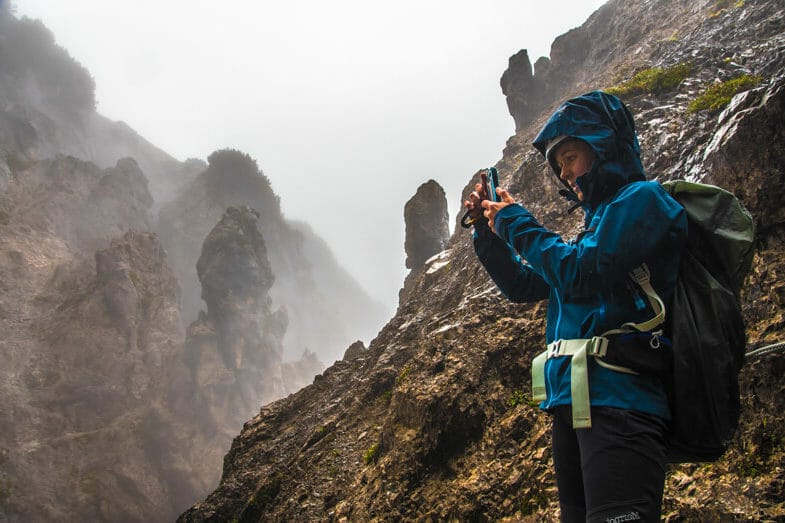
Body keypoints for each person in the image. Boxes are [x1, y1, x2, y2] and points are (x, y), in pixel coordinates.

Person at [464, 91, 687, 522]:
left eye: (569, 157)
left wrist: (514, 221)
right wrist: (488, 234)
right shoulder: (597, 224)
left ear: (601, 145)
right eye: (559, 166)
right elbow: (526, 284)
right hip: (577, 403)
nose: (564, 174)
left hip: (623, 401)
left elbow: (579, 272)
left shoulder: (643, 200)